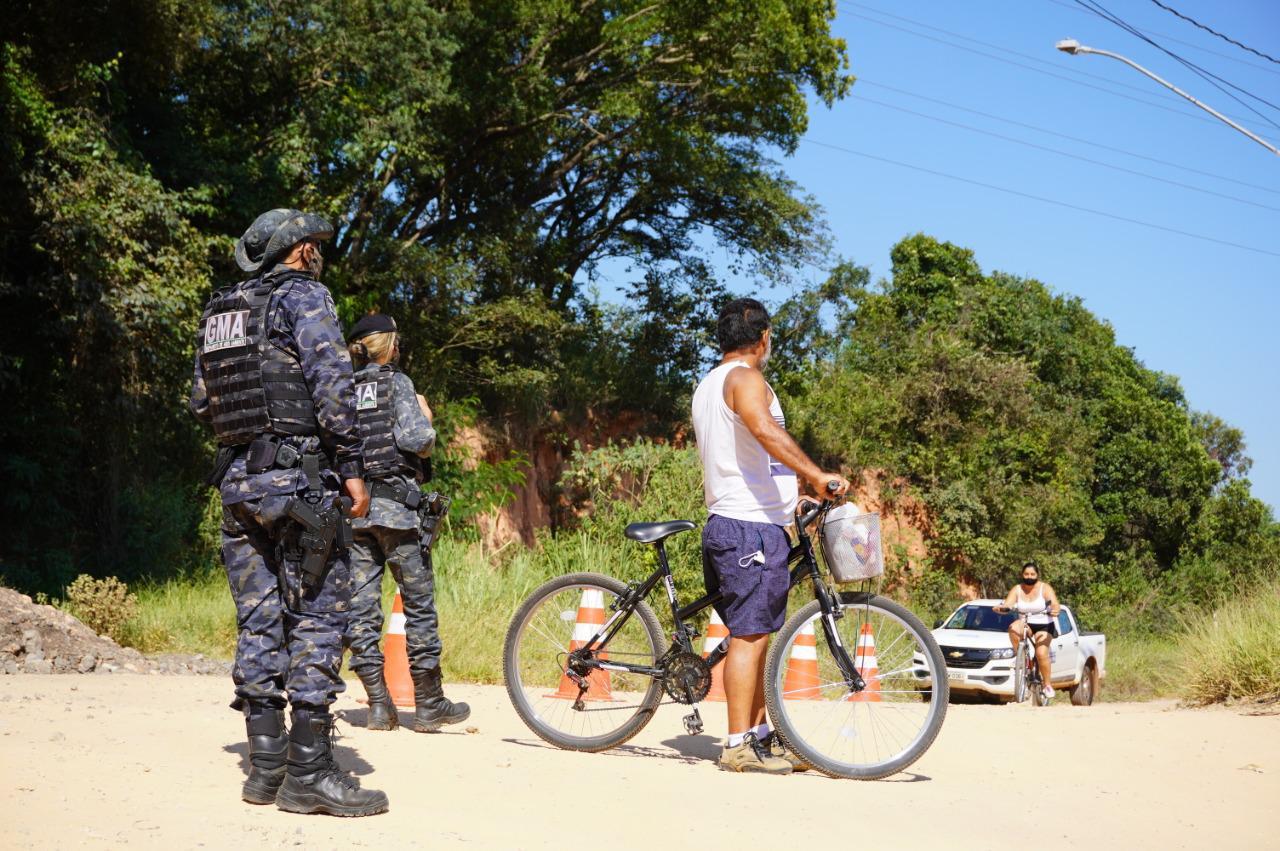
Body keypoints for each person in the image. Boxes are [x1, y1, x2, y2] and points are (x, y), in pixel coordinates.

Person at [190, 208, 388, 817]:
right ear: (299, 250)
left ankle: (265, 765)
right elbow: (334, 388)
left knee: (258, 619)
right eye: (313, 244)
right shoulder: (305, 296)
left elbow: (202, 403)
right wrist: (352, 467)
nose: (318, 252)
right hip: (298, 485)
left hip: (237, 485)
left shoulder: (219, 311)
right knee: (320, 615)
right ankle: (308, 771)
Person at [691, 297, 850, 774]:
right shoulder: (745, 378)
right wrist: (817, 475)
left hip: (749, 522)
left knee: (759, 632)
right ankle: (738, 744)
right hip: (747, 528)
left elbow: (753, 455)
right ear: (764, 338)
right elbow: (763, 432)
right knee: (750, 635)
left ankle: (761, 737)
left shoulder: (710, 384)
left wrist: (793, 498)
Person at [344, 314, 470, 732]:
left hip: (356, 514)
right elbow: (416, 439)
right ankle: (429, 703)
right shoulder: (397, 384)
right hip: (398, 513)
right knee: (417, 605)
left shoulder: (341, 386)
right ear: (391, 347)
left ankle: (379, 705)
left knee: (361, 608)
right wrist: (427, 417)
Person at [994, 561, 1061, 699]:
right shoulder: (1017, 589)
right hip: (1026, 622)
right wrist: (1001, 608)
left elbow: (1054, 602)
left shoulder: (1044, 588)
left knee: (1041, 653)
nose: (1029, 577)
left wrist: (1055, 609)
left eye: (1032, 574)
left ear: (1037, 575)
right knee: (1013, 627)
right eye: (1026, 574)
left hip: (1044, 624)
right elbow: (1008, 604)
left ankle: (1047, 684)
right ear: (1022, 575)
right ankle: (1020, 657)